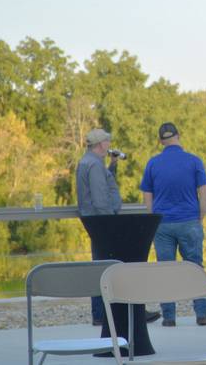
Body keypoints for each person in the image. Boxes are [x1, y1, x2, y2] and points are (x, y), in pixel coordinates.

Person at [140, 122, 206, 327]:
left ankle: (169, 317)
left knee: (166, 270)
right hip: (189, 220)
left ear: (161, 141)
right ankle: (202, 314)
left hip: (162, 224)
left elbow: (147, 194)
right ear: (179, 136)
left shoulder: (153, 163)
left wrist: (153, 217)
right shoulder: (194, 161)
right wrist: (201, 215)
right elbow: (204, 191)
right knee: (195, 268)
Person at [76, 127, 123, 326]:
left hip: (95, 220)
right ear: (100, 144)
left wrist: (112, 166)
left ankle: (102, 314)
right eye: (107, 141)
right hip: (101, 221)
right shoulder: (94, 165)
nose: (109, 145)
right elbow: (100, 198)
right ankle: (104, 314)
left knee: (100, 265)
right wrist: (109, 222)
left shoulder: (90, 162)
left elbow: (102, 184)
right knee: (106, 267)